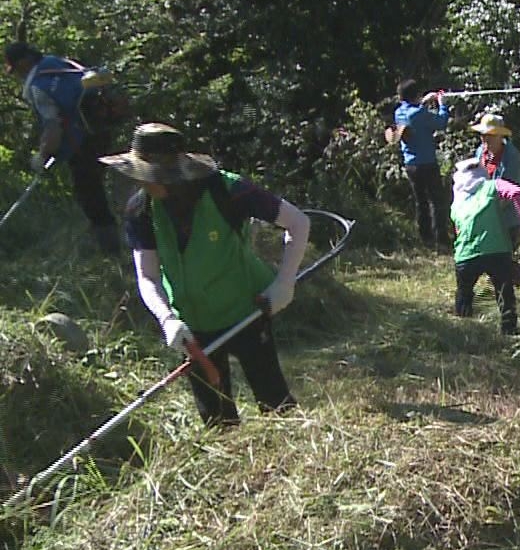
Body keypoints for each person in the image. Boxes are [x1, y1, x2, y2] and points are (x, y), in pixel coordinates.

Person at [107, 123, 311, 427]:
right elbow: (147, 276)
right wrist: (167, 319)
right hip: (192, 327)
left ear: (172, 175)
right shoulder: (141, 209)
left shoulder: (227, 190)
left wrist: (284, 283)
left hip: (248, 310)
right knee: (217, 422)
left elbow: (298, 222)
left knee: (276, 405)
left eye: (146, 175)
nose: (141, 182)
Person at [5, 40, 119, 253]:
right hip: (101, 130)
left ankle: (111, 251)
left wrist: (43, 155)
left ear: (23, 62)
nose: (17, 74)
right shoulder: (57, 62)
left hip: (82, 141)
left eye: (16, 68)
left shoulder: (38, 86)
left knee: (89, 194)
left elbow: (53, 126)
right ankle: (107, 237)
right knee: (96, 188)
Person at [450, 156, 520, 335]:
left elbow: (457, 229)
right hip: (497, 249)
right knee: (504, 290)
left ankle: (464, 330)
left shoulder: (458, 201)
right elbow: (516, 192)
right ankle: (509, 328)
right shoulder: (492, 185)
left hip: (465, 254)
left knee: (464, 292)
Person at [388, 79, 449, 247]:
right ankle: (441, 239)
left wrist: (424, 101)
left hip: (410, 165)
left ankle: (426, 238)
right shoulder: (419, 114)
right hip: (427, 163)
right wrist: (442, 104)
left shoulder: (399, 112)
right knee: (436, 201)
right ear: (416, 95)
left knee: (420, 201)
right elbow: (441, 122)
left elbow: (413, 111)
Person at [470, 111, 520, 190]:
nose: (486, 139)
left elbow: (509, 187)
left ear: (501, 136)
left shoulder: (511, 156)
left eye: (491, 134)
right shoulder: (480, 152)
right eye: (483, 135)